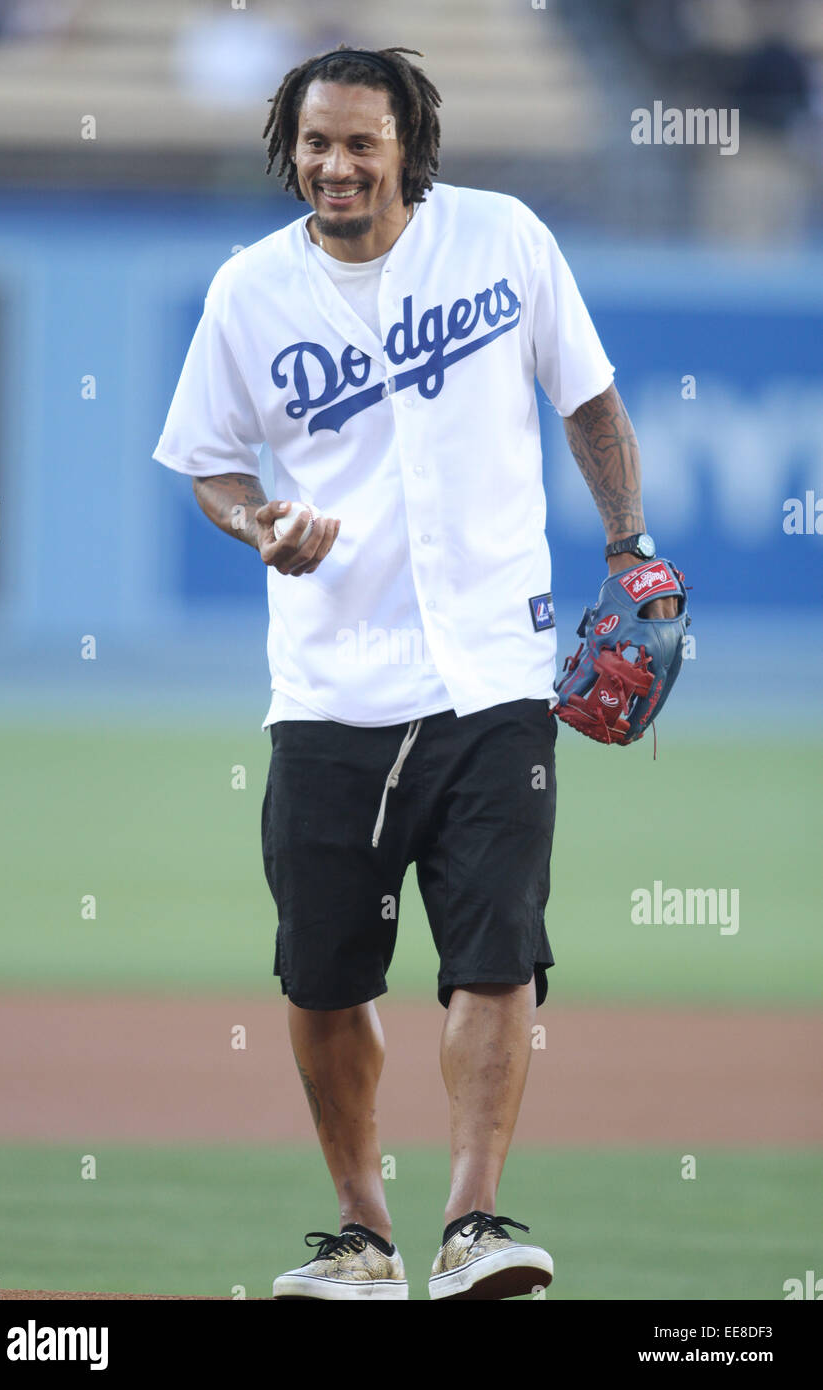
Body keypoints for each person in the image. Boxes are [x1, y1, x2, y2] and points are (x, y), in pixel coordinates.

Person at [153, 44, 676, 1301]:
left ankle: (476, 1220)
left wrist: (631, 549)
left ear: (409, 148)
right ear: (291, 149)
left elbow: (589, 402)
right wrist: (258, 524)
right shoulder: (247, 292)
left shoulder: (500, 242)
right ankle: (361, 1234)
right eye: (315, 143)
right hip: (331, 679)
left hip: (495, 664)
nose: (333, 164)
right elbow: (210, 465)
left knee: (496, 955)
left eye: (359, 142)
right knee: (323, 972)